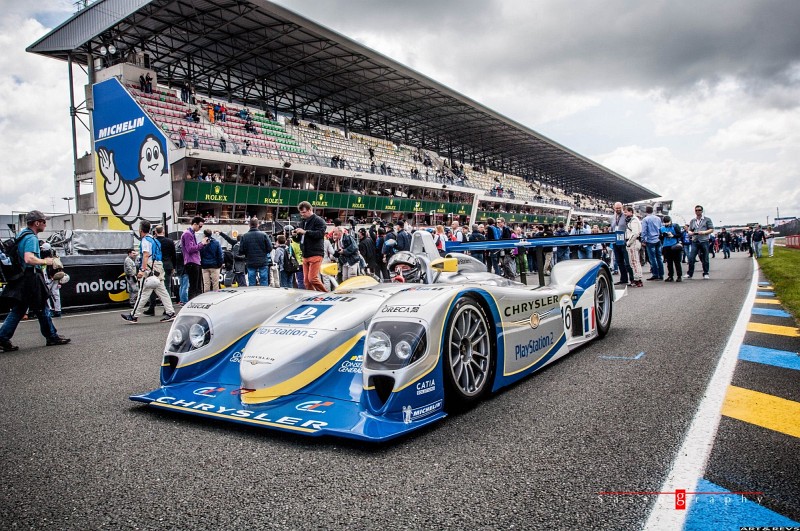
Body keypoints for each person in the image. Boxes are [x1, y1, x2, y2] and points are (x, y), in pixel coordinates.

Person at [0, 211, 70, 351]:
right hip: (31, 277)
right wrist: (46, 261)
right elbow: (29, 258)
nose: (45, 224)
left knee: (20, 309)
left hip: (22, 277)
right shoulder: (31, 238)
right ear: (37, 223)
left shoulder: (21, 235)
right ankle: (51, 336)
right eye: (44, 221)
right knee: (42, 306)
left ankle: (2, 337)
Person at [122, 219, 176, 323]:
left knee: (143, 291)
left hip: (149, 267)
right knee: (162, 291)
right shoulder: (154, 240)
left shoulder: (145, 240)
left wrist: (142, 269)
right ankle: (170, 312)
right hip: (158, 266)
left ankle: (133, 315)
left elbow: (146, 255)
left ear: (140, 229)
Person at [294, 201, 327, 292]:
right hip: (305, 254)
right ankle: (312, 296)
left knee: (312, 278)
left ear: (310, 210)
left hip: (315, 253)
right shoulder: (303, 222)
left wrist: (305, 232)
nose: (302, 214)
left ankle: (325, 294)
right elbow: (299, 239)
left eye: (304, 212)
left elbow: (320, 234)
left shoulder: (319, 220)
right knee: (306, 282)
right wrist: (295, 236)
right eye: (301, 213)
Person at [144, 225, 176, 315]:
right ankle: (167, 309)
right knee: (166, 288)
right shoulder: (170, 241)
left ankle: (151, 307)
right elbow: (174, 255)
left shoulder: (154, 241)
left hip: (156, 266)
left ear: (155, 232)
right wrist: (173, 266)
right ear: (164, 231)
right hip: (168, 265)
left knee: (153, 286)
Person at [239, 218, 273, 287]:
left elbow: (241, 250)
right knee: (264, 279)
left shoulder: (244, 236)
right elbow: (270, 248)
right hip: (262, 261)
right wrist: (264, 252)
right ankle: (264, 293)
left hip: (250, 261)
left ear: (249, 225)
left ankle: (252, 294)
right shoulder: (264, 235)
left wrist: (247, 254)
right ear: (258, 225)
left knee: (251, 280)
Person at [181, 216, 207, 300]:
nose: (200, 228)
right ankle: (193, 302)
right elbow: (190, 249)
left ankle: (194, 301)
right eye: (200, 226)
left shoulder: (189, 233)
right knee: (194, 286)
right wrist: (202, 244)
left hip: (193, 262)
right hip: (192, 262)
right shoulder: (188, 234)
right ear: (195, 224)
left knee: (196, 285)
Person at [685, 205, 714, 279]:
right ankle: (690, 273)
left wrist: (704, 232)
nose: (698, 211)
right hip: (695, 240)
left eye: (699, 210)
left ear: (702, 211)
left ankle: (706, 273)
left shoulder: (707, 220)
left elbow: (711, 229)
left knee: (705, 258)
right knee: (691, 258)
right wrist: (690, 232)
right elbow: (690, 229)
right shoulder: (693, 220)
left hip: (704, 240)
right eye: (696, 210)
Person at [609, 202, 632, 286]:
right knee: (619, 261)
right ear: (614, 208)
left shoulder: (626, 216)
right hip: (616, 242)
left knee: (627, 261)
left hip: (624, 241)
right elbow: (612, 229)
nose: (618, 209)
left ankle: (632, 279)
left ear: (622, 207)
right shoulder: (612, 218)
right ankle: (623, 279)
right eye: (616, 208)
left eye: (619, 208)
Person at [640, 206, 664, 280]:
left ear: (646, 211)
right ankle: (661, 274)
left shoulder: (645, 219)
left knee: (652, 258)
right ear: (652, 211)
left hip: (650, 240)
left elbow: (644, 231)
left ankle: (655, 274)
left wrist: (643, 240)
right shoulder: (658, 218)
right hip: (657, 239)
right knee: (659, 257)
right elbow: (661, 229)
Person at [659, 215, 683, 282]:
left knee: (677, 261)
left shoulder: (675, 226)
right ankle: (670, 276)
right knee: (669, 262)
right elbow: (660, 237)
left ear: (670, 221)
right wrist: (662, 235)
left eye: (667, 222)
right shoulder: (662, 228)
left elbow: (680, 234)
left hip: (675, 245)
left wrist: (673, 235)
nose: (666, 224)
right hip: (666, 246)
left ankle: (679, 276)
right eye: (665, 222)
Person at [624, 206, 643, 287]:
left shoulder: (634, 220)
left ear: (631, 212)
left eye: (626, 212)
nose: (625, 214)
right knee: (635, 262)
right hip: (634, 242)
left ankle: (637, 279)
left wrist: (628, 242)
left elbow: (635, 233)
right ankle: (638, 279)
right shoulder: (633, 220)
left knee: (634, 262)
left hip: (633, 242)